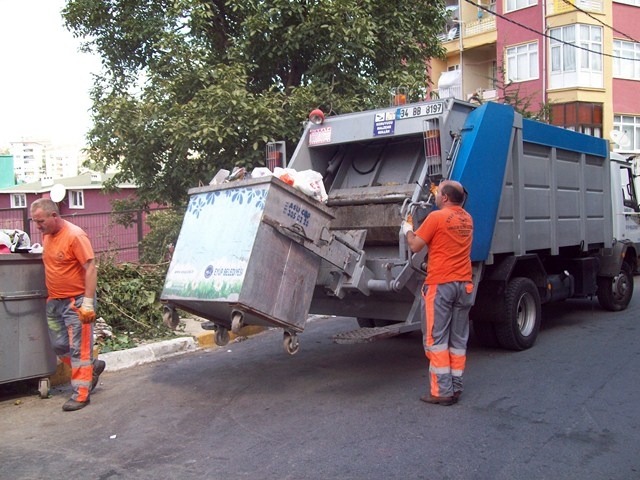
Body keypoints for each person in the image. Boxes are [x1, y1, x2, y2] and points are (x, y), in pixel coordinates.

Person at [403, 180, 473, 406]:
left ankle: (442, 392)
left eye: (438, 192)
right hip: (464, 285)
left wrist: (407, 229)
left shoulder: (436, 217)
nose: (435, 194)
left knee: (436, 340)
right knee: (457, 339)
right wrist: (440, 189)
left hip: (440, 285)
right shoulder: (467, 218)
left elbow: (415, 246)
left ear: (444, 198)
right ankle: (456, 386)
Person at [30, 198, 105, 411]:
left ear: (55, 216)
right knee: (59, 346)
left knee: (79, 351)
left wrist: (88, 304)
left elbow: (90, 268)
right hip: (55, 301)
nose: (38, 226)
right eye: (35, 221)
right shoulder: (47, 236)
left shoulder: (75, 236)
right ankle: (92, 368)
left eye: (41, 221)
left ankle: (81, 394)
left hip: (76, 302)